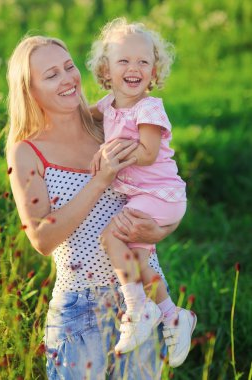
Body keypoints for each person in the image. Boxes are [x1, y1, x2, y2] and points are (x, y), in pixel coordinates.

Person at [6, 35, 180, 379]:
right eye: (51, 74)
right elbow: (41, 240)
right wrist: (100, 180)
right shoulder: (26, 151)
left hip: (143, 301)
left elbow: (163, 190)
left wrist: (162, 229)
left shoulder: (110, 123)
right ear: (30, 90)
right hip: (79, 310)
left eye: (69, 67)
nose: (68, 79)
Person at [87, 17, 197, 366]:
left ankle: (138, 309)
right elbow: (81, 118)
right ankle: (173, 315)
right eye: (124, 61)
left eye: (143, 62)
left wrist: (108, 152)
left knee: (110, 239)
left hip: (162, 194)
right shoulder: (107, 106)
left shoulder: (149, 108)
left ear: (154, 72)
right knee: (137, 258)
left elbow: (148, 153)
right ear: (106, 69)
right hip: (147, 197)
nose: (134, 68)